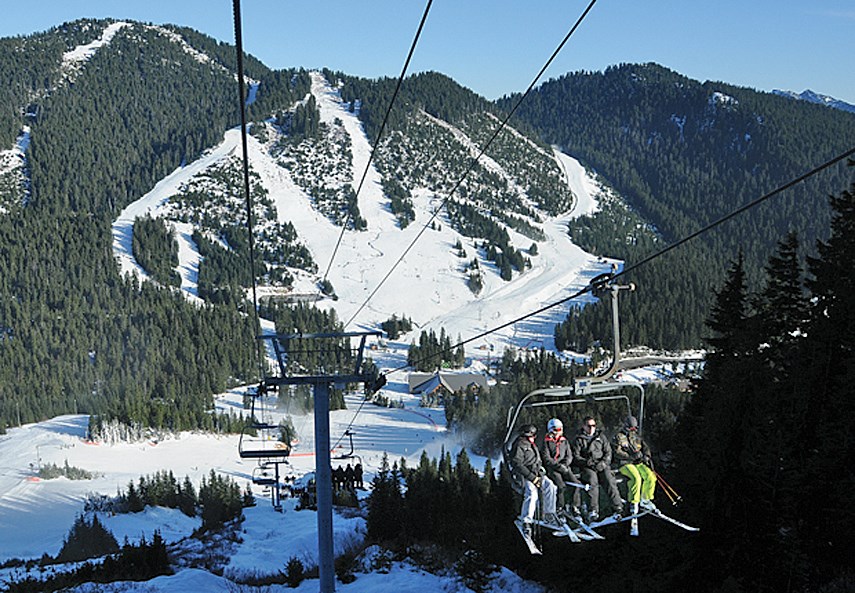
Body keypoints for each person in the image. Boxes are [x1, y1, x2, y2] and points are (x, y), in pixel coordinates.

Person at [510, 423, 563, 537]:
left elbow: (536, 460)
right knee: (532, 493)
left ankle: (549, 513)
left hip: (536, 473)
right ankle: (526, 521)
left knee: (551, 486)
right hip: (525, 475)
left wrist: (540, 470)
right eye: (533, 435)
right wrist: (532, 478)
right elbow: (517, 464)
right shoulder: (519, 445)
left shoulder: (531, 444)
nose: (535, 437)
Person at [572, 416, 623, 522]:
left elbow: (608, 452)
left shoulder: (601, 437)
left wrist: (604, 462)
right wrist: (587, 462)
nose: (591, 428)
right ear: (584, 426)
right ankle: (593, 510)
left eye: (593, 426)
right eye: (589, 426)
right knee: (592, 480)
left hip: (601, 464)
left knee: (609, 478)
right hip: (587, 467)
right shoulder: (579, 439)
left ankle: (617, 506)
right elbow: (575, 456)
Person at [540, 418, 583, 521]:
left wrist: (565, 464)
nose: (558, 432)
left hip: (565, 467)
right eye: (556, 430)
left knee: (576, 483)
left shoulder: (564, 441)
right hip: (553, 469)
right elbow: (547, 458)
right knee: (560, 485)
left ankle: (575, 506)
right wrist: (558, 466)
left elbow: (569, 455)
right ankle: (560, 508)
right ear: (550, 430)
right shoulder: (546, 442)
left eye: (560, 429)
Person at [613, 415, 657, 514]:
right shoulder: (618, 437)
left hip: (637, 462)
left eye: (634, 428)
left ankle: (645, 500)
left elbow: (645, 447)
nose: (632, 430)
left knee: (650, 477)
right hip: (624, 463)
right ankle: (634, 502)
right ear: (626, 426)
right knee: (636, 478)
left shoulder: (636, 436)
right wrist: (630, 456)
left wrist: (646, 455)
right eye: (630, 428)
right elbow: (616, 452)